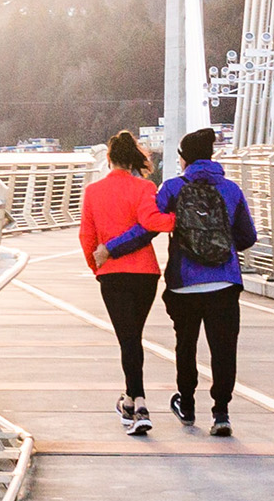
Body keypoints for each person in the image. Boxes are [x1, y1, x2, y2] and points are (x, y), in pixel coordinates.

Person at [153, 127, 257, 436]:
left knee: (186, 346)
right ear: (212, 157)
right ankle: (221, 413)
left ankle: (187, 406)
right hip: (224, 282)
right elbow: (248, 236)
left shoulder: (171, 188)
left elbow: (151, 222)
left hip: (184, 282)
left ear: (184, 159)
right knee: (223, 349)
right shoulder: (231, 189)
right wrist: (220, 245)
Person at [78, 129, 170, 436]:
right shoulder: (145, 188)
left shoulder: (93, 192)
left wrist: (97, 267)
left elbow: (87, 237)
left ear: (108, 158)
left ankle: (140, 404)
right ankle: (128, 400)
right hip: (146, 274)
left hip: (113, 275)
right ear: (133, 159)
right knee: (132, 337)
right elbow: (150, 224)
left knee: (128, 339)